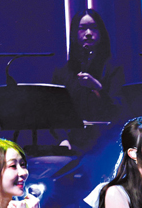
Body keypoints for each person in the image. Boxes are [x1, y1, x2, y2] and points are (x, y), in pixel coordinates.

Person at [51, 9, 125, 149]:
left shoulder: (113, 68)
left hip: (106, 141)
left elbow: (118, 111)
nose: (89, 33)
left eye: (94, 28)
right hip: (72, 142)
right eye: (83, 28)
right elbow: (55, 112)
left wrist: (98, 88)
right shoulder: (63, 71)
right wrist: (63, 139)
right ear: (74, 33)